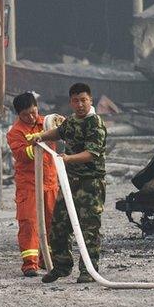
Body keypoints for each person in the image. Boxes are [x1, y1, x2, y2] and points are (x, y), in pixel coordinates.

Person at [28, 83, 107, 284]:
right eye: (75, 101)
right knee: (59, 226)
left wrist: (68, 159)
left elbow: (91, 154)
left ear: (90, 100)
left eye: (83, 100)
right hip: (69, 182)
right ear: (71, 102)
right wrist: (40, 136)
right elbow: (59, 132)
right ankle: (62, 266)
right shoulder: (71, 121)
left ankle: (88, 270)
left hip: (90, 184)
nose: (80, 105)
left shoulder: (95, 124)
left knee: (89, 229)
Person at [6, 92, 60, 277]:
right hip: (29, 185)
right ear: (18, 115)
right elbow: (22, 154)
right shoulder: (15, 132)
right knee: (29, 222)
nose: (31, 117)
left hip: (50, 182)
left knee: (52, 221)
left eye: (33, 112)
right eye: (26, 115)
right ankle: (30, 263)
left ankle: (48, 259)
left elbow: (65, 131)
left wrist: (60, 124)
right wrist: (39, 140)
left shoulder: (47, 123)